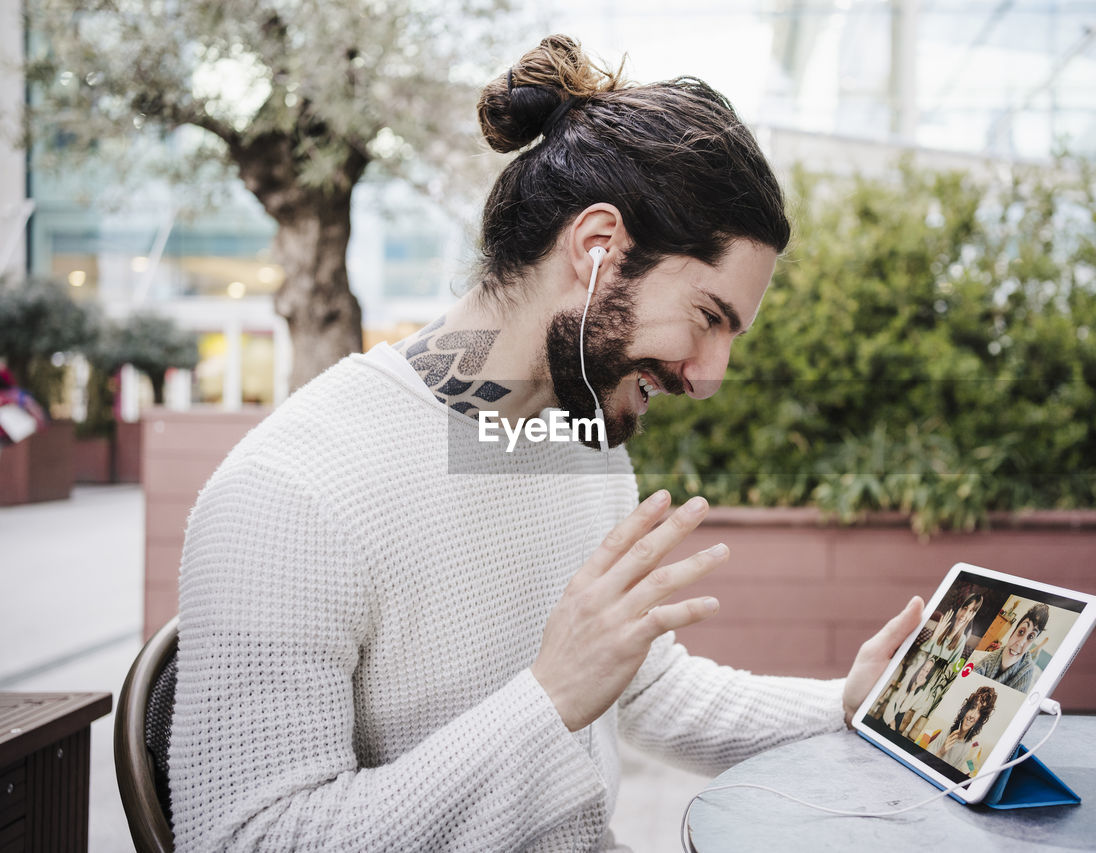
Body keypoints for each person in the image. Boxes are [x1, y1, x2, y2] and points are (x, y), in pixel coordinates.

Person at [168, 35, 923, 852]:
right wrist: (550, 693)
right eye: (709, 318)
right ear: (598, 247)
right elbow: (249, 839)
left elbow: (641, 686)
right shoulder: (292, 490)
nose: (709, 377)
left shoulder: (575, 438)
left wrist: (848, 703)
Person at [971, 602, 1050, 692]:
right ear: (1012, 633)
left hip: (1028, 656)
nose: (1020, 643)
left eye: (1030, 636)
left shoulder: (1027, 671)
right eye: (1021, 632)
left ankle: (1038, 648)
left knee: (1033, 656)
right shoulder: (996, 654)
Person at [927, 685, 998, 774]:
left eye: (979, 711)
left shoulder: (967, 746)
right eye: (972, 707)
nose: (972, 715)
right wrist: (941, 752)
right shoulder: (946, 732)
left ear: (980, 719)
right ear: (966, 710)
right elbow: (924, 762)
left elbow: (951, 775)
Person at [925, 591, 984, 671]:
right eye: (965, 609)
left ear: (972, 616)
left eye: (970, 611)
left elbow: (949, 670)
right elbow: (922, 655)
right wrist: (934, 636)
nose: (965, 614)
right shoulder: (942, 628)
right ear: (959, 610)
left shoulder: (962, 640)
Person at [881, 656, 938, 735]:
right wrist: (891, 722)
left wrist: (915, 688)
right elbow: (894, 700)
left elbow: (903, 709)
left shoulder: (922, 691)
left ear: (929, 674)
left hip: (898, 723)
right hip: (889, 716)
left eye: (927, 671)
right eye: (923, 669)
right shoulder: (909, 680)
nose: (923, 672)